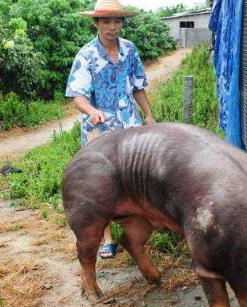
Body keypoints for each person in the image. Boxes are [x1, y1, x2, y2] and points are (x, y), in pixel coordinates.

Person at [65, 0, 156, 258]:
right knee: (102, 183)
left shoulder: (129, 49)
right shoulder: (87, 55)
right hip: (100, 127)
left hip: (130, 124)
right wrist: (92, 111)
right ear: (95, 23)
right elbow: (77, 96)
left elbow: (138, 85)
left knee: (135, 175)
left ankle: (137, 229)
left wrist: (148, 116)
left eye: (117, 20)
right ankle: (106, 237)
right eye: (106, 21)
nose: (112, 26)